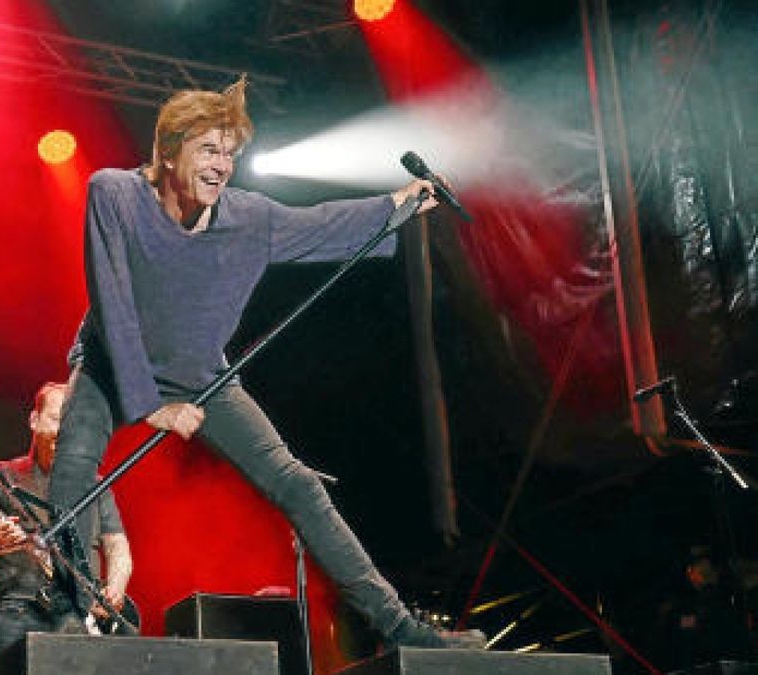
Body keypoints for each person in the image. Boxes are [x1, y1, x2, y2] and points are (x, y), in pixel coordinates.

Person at [48, 76, 484, 648]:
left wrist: (399, 204)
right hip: (111, 364)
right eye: (208, 150)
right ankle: (66, 618)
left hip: (202, 375)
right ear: (168, 149)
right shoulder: (115, 195)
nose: (220, 166)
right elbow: (113, 305)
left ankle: (399, 627)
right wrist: (152, 407)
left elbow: (323, 224)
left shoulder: (248, 218)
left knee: (299, 485)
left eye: (229, 155)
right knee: (74, 470)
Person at [0, 382, 134, 654]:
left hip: (82, 609)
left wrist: (115, 587)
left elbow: (117, 546)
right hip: (22, 606)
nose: (64, 431)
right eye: (56, 419)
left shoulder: (95, 486)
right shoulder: (2, 476)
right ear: (34, 419)